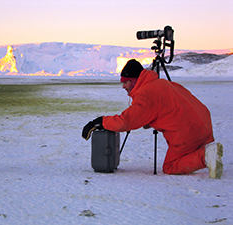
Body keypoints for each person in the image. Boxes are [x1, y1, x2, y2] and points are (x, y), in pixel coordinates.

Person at [82, 59, 223, 179]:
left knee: (170, 166)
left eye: (126, 82)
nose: (123, 86)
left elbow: (126, 121)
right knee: (187, 151)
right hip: (203, 123)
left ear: (134, 80)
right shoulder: (161, 83)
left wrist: (100, 121)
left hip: (187, 133)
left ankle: (205, 156)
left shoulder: (146, 94)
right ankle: (207, 151)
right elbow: (166, 108)